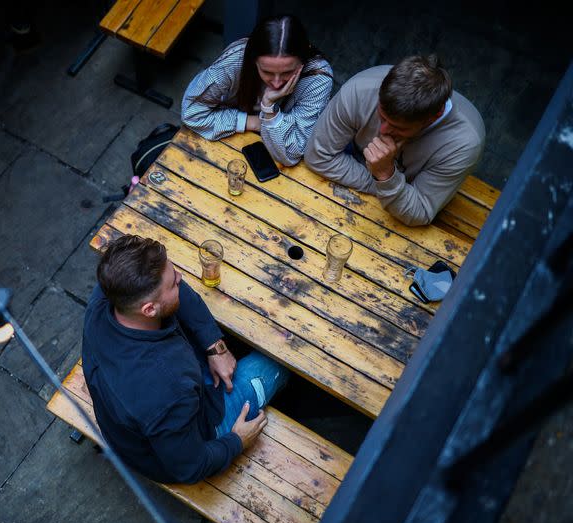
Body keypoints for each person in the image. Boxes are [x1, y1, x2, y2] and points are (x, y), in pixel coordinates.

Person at [82, 235, 289, 484]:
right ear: (149, 310)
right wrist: (236, 442)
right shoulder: (167, 388)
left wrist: (215, 346)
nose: (180, 278)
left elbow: (179, 293)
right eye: (173, 283)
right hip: (190, 441)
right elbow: (189, 467)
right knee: (281, 359)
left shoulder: (111, 295)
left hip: (150, 410)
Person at [303, 54, 486, 226]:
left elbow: (420, 211)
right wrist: (382, 184)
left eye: (398, 127)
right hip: (375, 177)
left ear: (434, 116)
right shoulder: (360, 89)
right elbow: (318, 156)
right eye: (381, 117)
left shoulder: (464, 142)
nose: (382, 130)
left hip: (401, 201)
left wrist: (385, 175)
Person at [181, 14, 333, 167]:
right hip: (230, 139)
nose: (276, 82)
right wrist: (252, 122)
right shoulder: (235, 61)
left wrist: (269, 108)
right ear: (254, 61)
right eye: (267, 72)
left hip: (277, 155)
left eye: (287, 72)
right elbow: (191, 112)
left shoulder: (318, 78)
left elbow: (291, 154)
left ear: (303, 60)